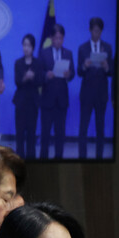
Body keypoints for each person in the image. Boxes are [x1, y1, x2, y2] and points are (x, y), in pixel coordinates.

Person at [77, 17, 114, 159]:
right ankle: (82, 158)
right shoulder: (83, 48)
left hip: (101, 94)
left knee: (100, 128)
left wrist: (107, 67)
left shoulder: (108, 48)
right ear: (90, 30)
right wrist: (84, 66)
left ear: (101, 31)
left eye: (98, 31)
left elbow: (111, 72)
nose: (96, 33)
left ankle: (99, 157)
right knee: (83, 128)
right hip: (86, 94)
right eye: (94, 31)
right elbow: (79, 72)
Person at [40, 24, 75, 160]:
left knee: (60, 133)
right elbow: (39, 72)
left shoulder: (68, 53)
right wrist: (46, 75)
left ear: (63, 38)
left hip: (62, 100)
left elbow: (73, 73)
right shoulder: (44, 53)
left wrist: (68, 74)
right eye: (56, 38)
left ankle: (59, 159)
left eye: (61, 38)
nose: (58, 41)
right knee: (45, 134)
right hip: (47, 100)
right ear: (51, 38)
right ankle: (43, 160)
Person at [13, 34, 44, 160]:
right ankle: (19, 161)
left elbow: (41, 81)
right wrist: (25, 78)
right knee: (20, 135)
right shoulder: (18, 63)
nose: (26, 48)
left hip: (33, 103)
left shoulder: (38, 63)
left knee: (31, 135)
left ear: (33, 48)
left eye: (29, 46)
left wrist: (33, 77)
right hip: (20, 103)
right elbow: (17, 82)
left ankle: (32, 162)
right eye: (24, 45)